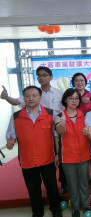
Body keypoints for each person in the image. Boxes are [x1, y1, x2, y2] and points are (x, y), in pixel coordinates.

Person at [1, 66, 67, 194]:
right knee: (43, 159)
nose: (41, 77)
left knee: (60, 158)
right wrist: (6, 97)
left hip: (56, 128)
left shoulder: (59, 93)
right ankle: (49, 187)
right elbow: (16, 101)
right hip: (39, 129)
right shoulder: (32, 93)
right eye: (39, 75)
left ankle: (63, 183)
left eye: (44, 75)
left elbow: (65, 109)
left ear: (51, 77)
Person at [6, 85, 62, 217]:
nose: (31, 98)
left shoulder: (50, 114)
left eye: (34, 95)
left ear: (40, 97)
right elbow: (10, 137)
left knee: (52, 187)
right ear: (23, 98)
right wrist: (10, 143)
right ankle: (37, 212)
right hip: (27, 160)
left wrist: (58, 154)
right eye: (27, 96)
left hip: (47, 158)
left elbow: (56, 137)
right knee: (33, 189)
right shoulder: (16, 117)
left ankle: (56, 209)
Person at [55, 88, 91, 217]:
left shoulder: (84, 116)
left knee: (84, 182)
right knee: (72, 184)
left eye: (76, 98)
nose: (74, 101)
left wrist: (89, 134)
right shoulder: (59, 117)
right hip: (68, 157)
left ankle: (86, 205)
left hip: (84, 155)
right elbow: (60, 131)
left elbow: (90, 134)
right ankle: (75, 207)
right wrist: (63, 125)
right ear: (65, 100)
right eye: (71, 98)